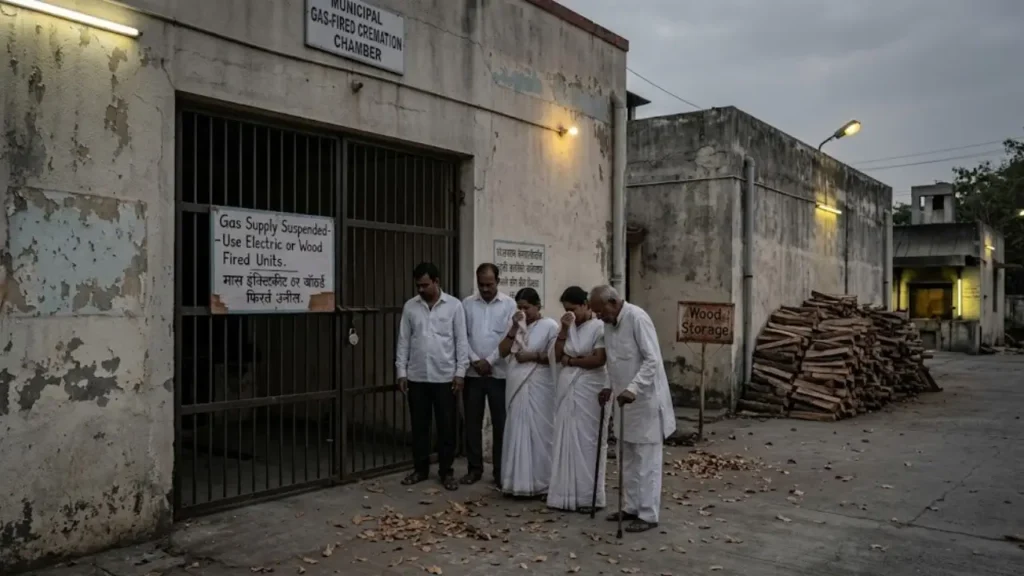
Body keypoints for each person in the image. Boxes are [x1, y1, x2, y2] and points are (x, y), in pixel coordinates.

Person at [589, 284, 675, 533]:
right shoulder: (609, 323)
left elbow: (652, 360)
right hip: (623, 402)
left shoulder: (637, 318)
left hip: (645, 401)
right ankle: (630, 506)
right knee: (626, 458)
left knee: (646, 459)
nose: (598, 316)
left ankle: (648, 514)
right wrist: (608, 386)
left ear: (613, 302)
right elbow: (614, 361)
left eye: (599, 311)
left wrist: (634, 388)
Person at [395, 262, 469, 491]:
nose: (420, 289)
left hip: (445, 377)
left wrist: (460, 373)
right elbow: (404, 340)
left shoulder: (454, 306)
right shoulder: (410, 307)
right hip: (417, 377)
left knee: (447, 427)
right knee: (419, 427)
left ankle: (446, 472)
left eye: (425, 285)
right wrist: (402, 371)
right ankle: (420, 469)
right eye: (418, 285)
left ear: (437, 282)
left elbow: (461, 341)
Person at [546, 286, 610, 513]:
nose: (570, 313)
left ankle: (588, 497)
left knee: (588, 441)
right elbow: (557, 353)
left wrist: (572, 361)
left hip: (590, 388)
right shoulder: (568, 326)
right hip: (568, 387)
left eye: (573, 309)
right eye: (566, 310)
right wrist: (564, 329)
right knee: (566, 437)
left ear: (585, 305)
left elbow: (598, 359)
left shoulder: (599, 327)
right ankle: (564, 494)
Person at [497, 287, 559, 497]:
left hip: (540, 384)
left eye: (527, 307)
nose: (524, 311)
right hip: (516, 382)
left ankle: (542, 483)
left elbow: (555, 356)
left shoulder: (550, 326)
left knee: (540, 432)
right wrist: (514, 327)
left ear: (538, 306)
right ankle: (515, 482)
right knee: (517, 428)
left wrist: (531, 356)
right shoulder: (515, 324)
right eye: (520, 307)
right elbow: (503, 351)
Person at [461, 263, 517, 486]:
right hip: (472, 374)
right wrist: (475, 360)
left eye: (489, 284)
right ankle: (474, 469)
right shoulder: (467, 304)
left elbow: (509, 337)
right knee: (472, 424)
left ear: (498, 281)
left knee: (500, 424)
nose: (485, 289)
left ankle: (500, 472)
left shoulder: (509, 305)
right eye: (481, 284)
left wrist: (490, 360)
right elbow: (461, 336)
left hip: (499, 374)